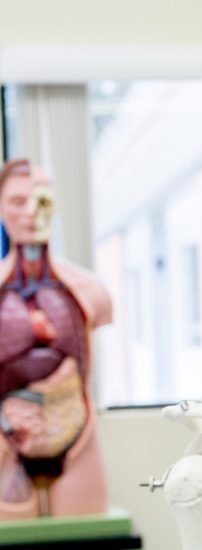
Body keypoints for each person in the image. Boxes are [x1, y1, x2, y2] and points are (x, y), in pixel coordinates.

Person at [0, 159, 112, 518]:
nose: (31, 211)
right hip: (6, 448)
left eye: (42, 201)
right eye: (18, 201)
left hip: (77, 441)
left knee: (86, 536)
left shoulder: (88, 290)